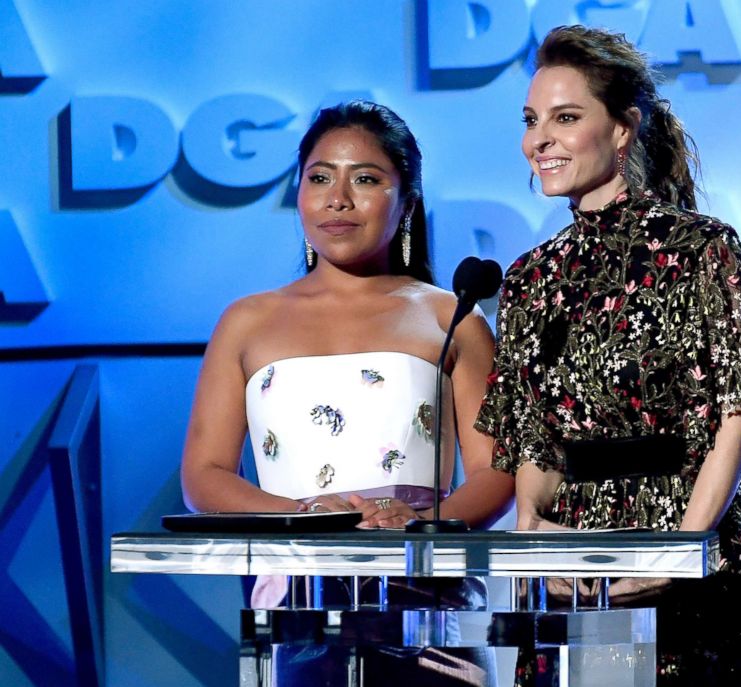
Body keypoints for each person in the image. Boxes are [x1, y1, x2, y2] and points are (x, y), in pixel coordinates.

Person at [475, 26, 741, 685]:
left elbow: (734, 419)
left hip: (692, 556)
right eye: (532, 120)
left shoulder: (702, 249)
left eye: (566, 118)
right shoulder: (531, 277)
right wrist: (534, 535)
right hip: (575, 571)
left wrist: (673, 555)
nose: (539, 140)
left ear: (623, 130)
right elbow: (537, 441)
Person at [181, 100, 513, 686]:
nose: (338, 198)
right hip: (297, 606)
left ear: (407, 200)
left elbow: (497, 473)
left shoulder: (449, 315)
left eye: (365, 179)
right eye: (319, 178)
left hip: (430, 604)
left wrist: (419, 525)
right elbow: (203, 476)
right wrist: (301, 515)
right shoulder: (246, 321)